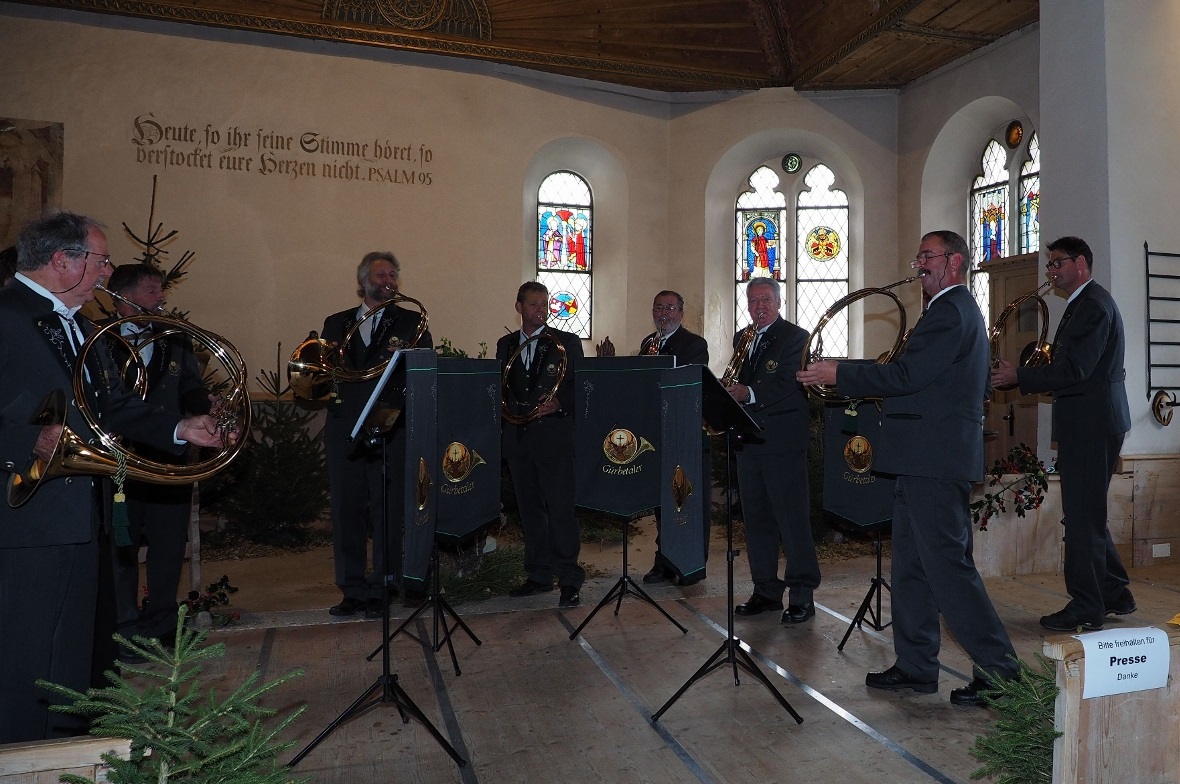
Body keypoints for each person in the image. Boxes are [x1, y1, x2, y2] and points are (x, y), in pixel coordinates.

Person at [0, 211, 229, 742]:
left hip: (83, 517)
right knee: (22, 653)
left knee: (75, 655)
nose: (106, 272)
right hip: (23, 518)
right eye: (100, 260)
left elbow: (117, 406)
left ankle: (65, 757)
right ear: (64, 261)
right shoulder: (5, 314)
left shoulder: (83, 326)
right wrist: (25, 440)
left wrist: (180, 427)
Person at [798, 229, 1018, 707]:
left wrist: (840, 373)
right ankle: (917, 666)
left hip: (933, 460)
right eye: (917, 255)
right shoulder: (945, 311)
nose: (919, 263)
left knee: (948, 568)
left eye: (928, 255)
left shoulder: (952, 311)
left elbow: (906, 376)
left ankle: (1001, 673)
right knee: (914, 567)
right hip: (922, 456)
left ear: (955, 262)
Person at [992, 236, 1134, 632]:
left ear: (1082, 264)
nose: (1051, 270)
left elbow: (1076, 372)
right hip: (1091, 424)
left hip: (1091, 426)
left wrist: (1018, 375)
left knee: (1083, 518)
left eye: (1058, 263)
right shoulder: (1085, 304)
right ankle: (1114, 592)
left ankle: (1086, 608)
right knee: (1088, 515)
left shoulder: (1091, 306)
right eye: (1050, 264)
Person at [103, 264, 215, 644]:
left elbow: (190, 387)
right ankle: (124, 625)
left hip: (169, 455)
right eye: (152, 290)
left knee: (168, 544)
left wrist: (205, 408)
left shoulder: (175, 337)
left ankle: (163, 622)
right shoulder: (98, 338)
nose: (162, 297)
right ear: (125, 295)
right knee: (123, 543)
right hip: (120, 460)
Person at [321, 251, 432, 619]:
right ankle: (351, 588)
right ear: (364, 281)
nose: (388, 280)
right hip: (344, 431)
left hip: (389, 430)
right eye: (381, 274)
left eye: (393, 275)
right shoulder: (335, 323)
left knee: (387, 510)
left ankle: (384, 585)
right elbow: (324, 373)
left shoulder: (412, 322)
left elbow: (420, 375)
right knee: (346, 511)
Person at [725, 277, 819, 624]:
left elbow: (786, 382)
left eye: (765, 299)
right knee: (757, 521)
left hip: (782, 442)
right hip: (749, 441)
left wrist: (746, 393)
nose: (758, 306)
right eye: (752, 301)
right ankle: (765, 591)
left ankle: (802, 595)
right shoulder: (742, 337)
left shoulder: (797, 337)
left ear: (779, 302)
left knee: (792, 520)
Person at [498, 281, 585, 608]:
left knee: (561, 509)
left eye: (543, 304)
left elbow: (582, 386)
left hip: (553, 438)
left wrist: (560, 402)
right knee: (530, 510)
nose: (540, 310)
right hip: (519, 440)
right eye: (533, 304)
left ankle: (570, 579)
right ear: (519, 307)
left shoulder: (566, 342)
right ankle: (538, 575)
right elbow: (501, 388)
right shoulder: (505, 345)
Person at [638, 290, 710, 586]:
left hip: (682, 429)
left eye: (669, 308)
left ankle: (690, 563)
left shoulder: (694, 344)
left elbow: (689, 382)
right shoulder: (647, 343)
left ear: (681, 313)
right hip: (656, 432)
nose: (663, 313)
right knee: (662, 503)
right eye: (658, 307)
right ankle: (663, 560)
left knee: (686, 499)